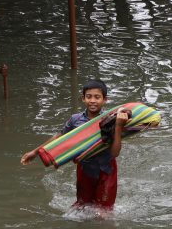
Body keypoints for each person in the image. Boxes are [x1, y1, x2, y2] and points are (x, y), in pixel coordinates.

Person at [20, 79, 131, 210]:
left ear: (105, 99)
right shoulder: (75, 120)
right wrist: (35, 152)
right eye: (88, 97)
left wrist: (118, 126)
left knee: (104, 212)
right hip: (85, 168)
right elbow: (59, 137)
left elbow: (115, 153)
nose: (92, 101)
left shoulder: (111, 120)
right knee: (82, 206)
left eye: (97, 97)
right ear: (83, 98)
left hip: (106, 169)